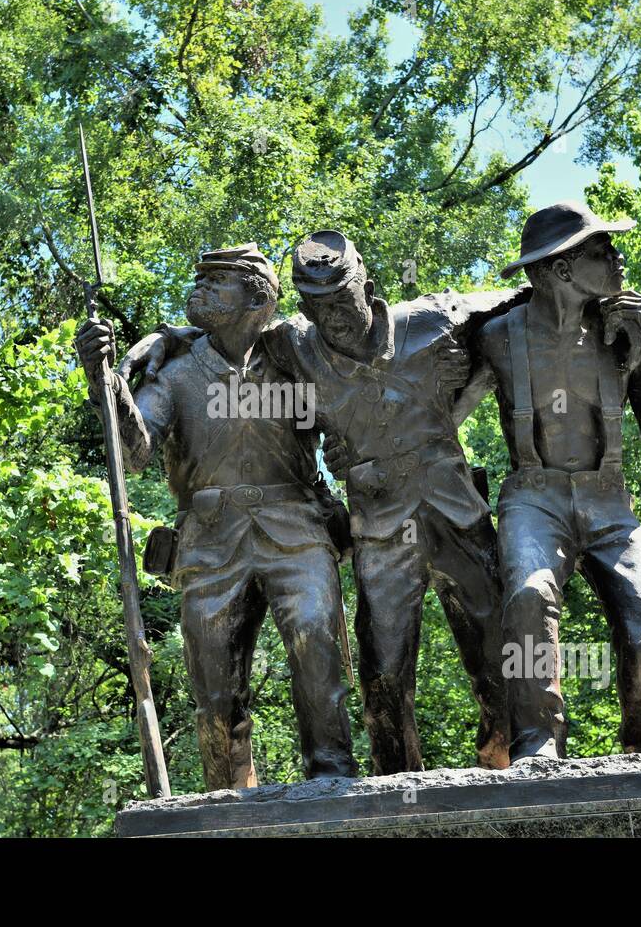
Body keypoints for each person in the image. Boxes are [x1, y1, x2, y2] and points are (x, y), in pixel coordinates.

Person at [124, 231, 525, 774]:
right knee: (332, 677)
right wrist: (144, 351)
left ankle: (458, 764)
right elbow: (146, 438)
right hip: (291, 538)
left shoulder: (369, 334)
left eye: (340, 298)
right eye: (315, 305)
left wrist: (459, 387)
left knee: (349, 646)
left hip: (381, 523)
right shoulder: (234, 360)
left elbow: (521, 304)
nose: (330, 314)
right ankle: (309, 794)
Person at [74, 243, 357, 790]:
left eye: (216, 281)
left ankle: (333, 777)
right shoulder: (178, 374)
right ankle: (228, 793)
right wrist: (104, 379)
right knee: (214, 681)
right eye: (198, 279)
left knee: (315, 641)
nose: (197, 289)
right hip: (209, 541)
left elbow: (350, 409)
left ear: (257, 297)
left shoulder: (295, 356)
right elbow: (134, 453)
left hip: (296, 528)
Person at [475, 201, 641, 761]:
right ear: (561, 269)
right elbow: (439, 412)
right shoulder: (497, 337)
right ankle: (537, 745)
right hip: (533, 499)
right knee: (527, 596)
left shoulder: (625, 332)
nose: (617, 257)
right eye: (601, 249)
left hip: (609, 502)